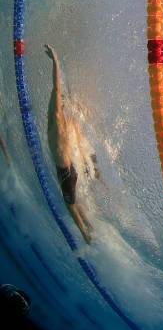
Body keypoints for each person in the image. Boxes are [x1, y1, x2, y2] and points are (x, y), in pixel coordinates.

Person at [45, 44, 92, 244]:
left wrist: (55, 60)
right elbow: (56, 94)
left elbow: (57, 88)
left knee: (70, 207)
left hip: (66, 172)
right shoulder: (60, 121)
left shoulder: (57, 117)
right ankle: (90, 227)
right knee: (73, 203)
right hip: (67, 170)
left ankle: (87, 237)